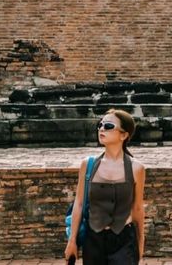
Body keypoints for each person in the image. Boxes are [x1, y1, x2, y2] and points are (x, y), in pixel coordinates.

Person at [65, 109, 146, 265]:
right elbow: (79, 204)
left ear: (124, 135)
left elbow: (137, 209)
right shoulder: (88, 165)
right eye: (100, 125)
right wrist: (72, 241)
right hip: (93, 239)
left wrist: (140, 243)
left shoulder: (137, 168)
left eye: (108, 126)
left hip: (124, 240)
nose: (101, 129)